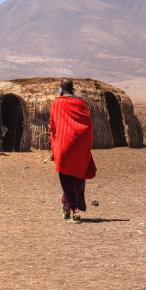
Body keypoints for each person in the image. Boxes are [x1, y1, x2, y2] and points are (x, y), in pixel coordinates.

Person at [50, 78, 96, 223]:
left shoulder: (56, 103)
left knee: (65, 175)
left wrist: (54, 144)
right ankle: (66, 206)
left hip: (64, 144)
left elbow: (53, 126)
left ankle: (74, 209)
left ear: (60, 88)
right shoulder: (81, 103)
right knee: (76, 174)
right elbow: (88, 125)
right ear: (72, 89)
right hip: (80, 145)